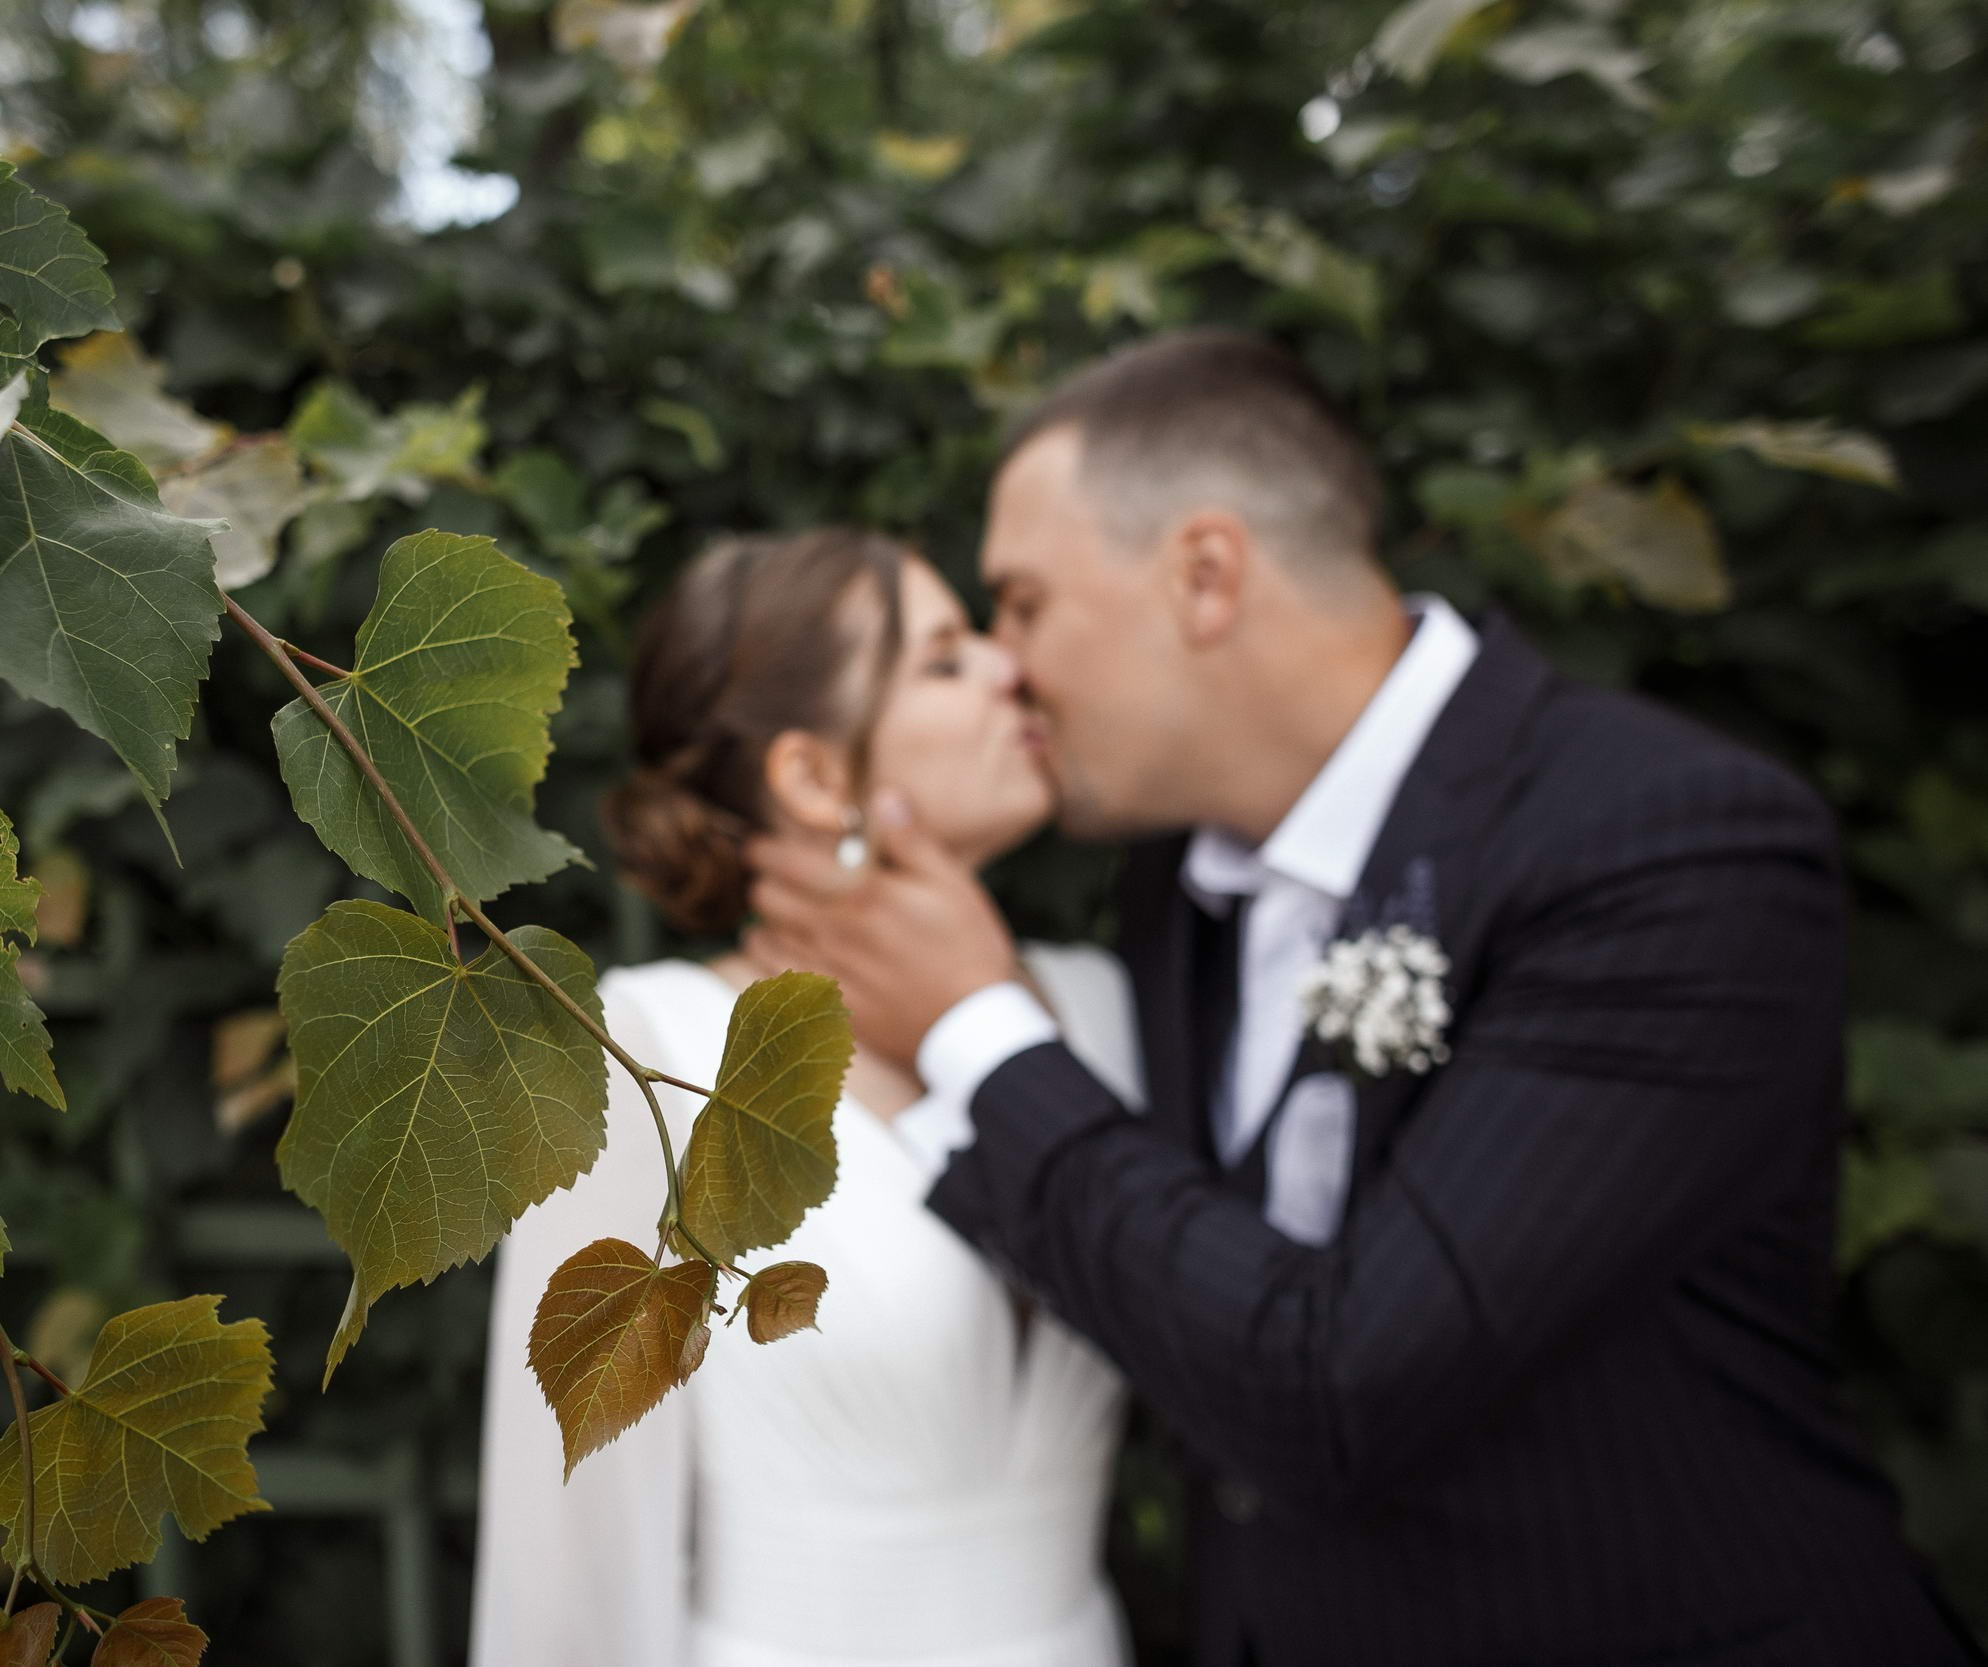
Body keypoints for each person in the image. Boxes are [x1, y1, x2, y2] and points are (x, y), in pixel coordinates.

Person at [746, 329, 1979, 1666]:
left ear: (1205, 574)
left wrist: (979, 1031)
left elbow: (1343, 1385)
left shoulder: (1667, 845)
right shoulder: (1170, 882)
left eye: (1027, 603)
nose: (1007, 666)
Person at [472, 528, 1144, 1667]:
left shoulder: (1103, 1011)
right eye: (944, 658)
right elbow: (567, 1560)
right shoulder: (650, 1064)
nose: (1008, 667)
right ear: (813, 774)